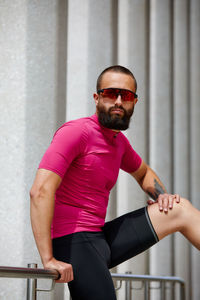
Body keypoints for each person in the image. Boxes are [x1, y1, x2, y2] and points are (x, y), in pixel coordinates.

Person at [30, 65, 200, 300]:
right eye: (111, 93)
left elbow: (143, 172)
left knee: (179, 209)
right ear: (97, 97)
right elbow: (40, 191)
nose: (119, 101)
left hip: (101, 236)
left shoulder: (119, 143)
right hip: (72, 240)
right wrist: (48, 258)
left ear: (134, 102)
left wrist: (161, 195)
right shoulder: (76, 132)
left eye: (126, 95)